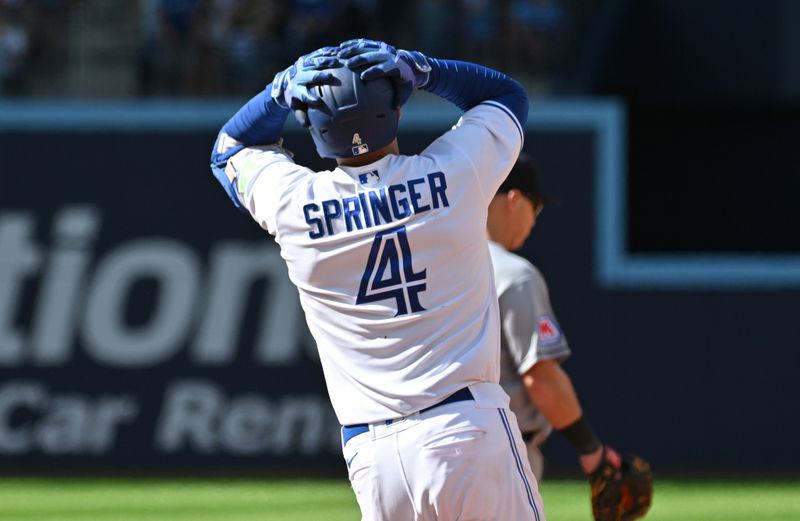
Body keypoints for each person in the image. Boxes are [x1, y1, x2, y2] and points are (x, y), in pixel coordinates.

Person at [210, 39, 545, 520]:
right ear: (397, 111)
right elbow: (506, 97)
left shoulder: (295, 205)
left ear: (312, 127)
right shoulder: (454, 173)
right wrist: (425, 69)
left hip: (374, 455)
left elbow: (229, 150)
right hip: (464, 425)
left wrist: (280, 92)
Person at [487, 154, 622, 479]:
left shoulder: (430, 266)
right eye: (536, 208)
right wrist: (591, 450)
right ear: (515, 200)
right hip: (496, 458)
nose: (534, 222)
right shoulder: (513, 275)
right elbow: (542, 379)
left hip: (413, 448)